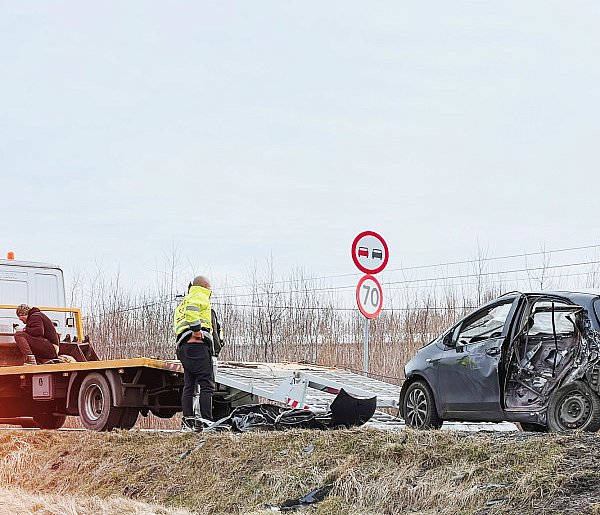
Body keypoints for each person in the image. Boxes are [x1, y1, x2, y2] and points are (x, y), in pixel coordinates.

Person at [173, 276, 215, 432]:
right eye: (210, 288)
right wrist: (197, 331)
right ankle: (207, 422)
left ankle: (188, 422)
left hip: (184, 348)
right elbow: (193, 313)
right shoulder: (199, 296)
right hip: (197, 347)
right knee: (206, 386)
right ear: (204, 287)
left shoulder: (182, 303)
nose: (211, 291)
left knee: (189, 386)